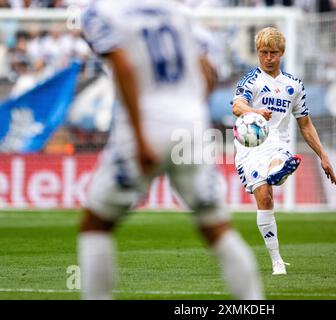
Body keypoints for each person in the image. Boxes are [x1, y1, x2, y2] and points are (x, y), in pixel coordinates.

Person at [78, 0, 263, 300]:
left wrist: (140, 137)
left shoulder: (101, 11)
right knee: (216, 226)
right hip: (190, 124)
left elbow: (123, 65)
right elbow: (207, 69)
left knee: (96, 223)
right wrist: (193, 116)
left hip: (146, 122)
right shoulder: (175, 12)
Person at [232, 27, 336, 275]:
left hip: (278, 141)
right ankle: (276, 259)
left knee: (279, 159)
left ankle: (279, 168)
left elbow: (305, 123)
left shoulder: (294, 85)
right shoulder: (251, 81)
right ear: (258, 53)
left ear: (282, 53)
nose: (268, 57)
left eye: (273, 53)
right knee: (265, 198)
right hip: (250, 147)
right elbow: (237, 106)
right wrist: (255, 112)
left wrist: (323, 155)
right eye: (263, 53)